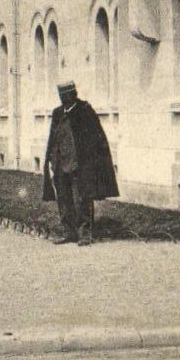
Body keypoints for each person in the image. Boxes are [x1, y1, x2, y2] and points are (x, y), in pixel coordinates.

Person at [42, 80, 118, 246]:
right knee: (64, 200)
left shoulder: (84, 111)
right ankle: (69, 232)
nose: (64, 98)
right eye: (61, 95)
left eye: (67, 95)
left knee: (81, 199)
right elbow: (52, 139)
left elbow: (96, 138)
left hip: (79, 165)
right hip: (60, 164)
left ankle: (85, 234)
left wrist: (90, 162)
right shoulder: (57, 113)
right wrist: (50, 159)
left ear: (73, 94)